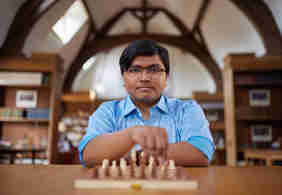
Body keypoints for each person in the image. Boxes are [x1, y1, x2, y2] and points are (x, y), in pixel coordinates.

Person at [78, 40, 215, 167]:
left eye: (154, 70)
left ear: (166, 77)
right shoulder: (107, 111)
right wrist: (132, 134)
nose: (144, 78)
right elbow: (89, 155)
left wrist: (137, 156)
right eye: (135, 70)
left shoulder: (187, 109)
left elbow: (201, 153)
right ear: (123, 78)